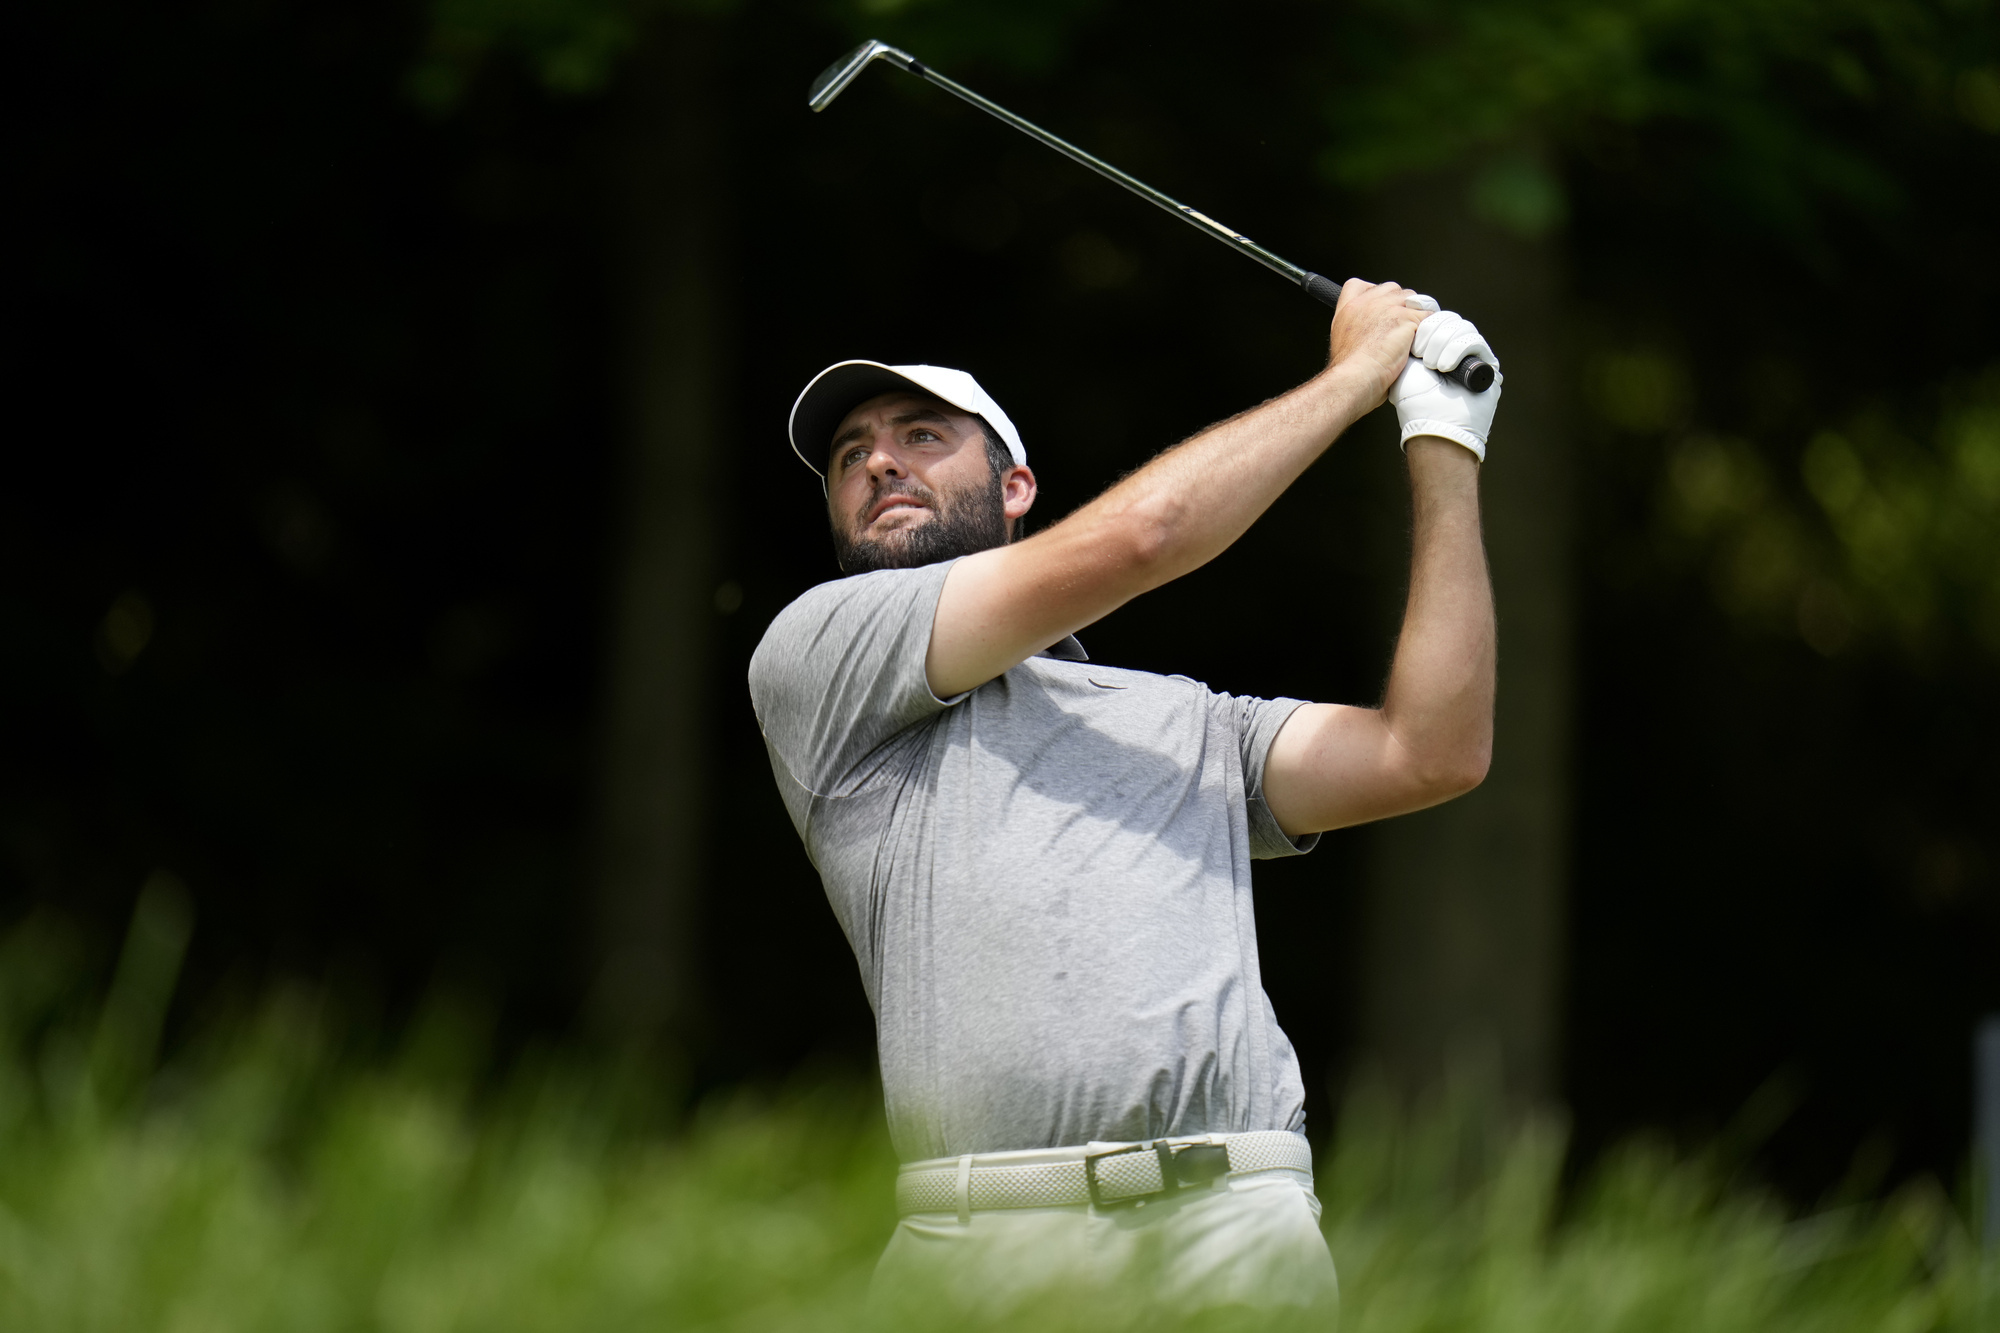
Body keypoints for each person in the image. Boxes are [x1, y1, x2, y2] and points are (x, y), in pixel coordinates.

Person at [747, 279, 1500, 1317]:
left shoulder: (1188, 720)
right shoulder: (818, 656)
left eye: (920, 435)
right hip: (979, 1242)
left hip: (1233, 1232)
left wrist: (1442, 436)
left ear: (1015, 486)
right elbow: (1145, 534)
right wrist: (1357, 372)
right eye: (849, 456)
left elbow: (1430, 751)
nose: (878, 461)